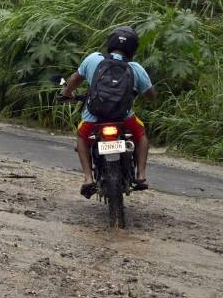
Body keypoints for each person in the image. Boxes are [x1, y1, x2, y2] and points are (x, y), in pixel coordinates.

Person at [60, 26, 156, 198]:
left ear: (110, 43)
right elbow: (151, 95)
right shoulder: (135, 68)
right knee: (141, 134)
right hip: (123, 118)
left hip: (93, 118)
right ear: (133, 48)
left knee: (81, 138)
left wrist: (66, 93)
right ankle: (141, 175)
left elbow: (74, 79)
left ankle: (88, 178)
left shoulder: (93, 59)